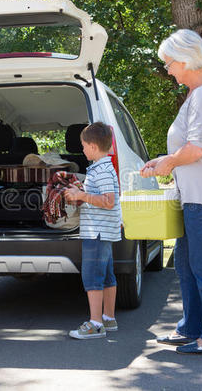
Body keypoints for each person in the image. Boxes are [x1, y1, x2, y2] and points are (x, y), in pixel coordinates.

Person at [140, 29, 202, 354]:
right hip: (191, 195)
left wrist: (168, 163)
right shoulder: (197, 95)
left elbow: (195, 150)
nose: (167, 70)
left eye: (169, 64)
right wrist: (164, 163)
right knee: (185, 265)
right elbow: (188, 151)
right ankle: (190, 328)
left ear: (185, 59)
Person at [64, 122, 121, 339]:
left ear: (94, 147)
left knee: (92, 277)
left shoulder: (103, 170)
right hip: (103, 232)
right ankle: (109, 318)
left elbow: (108, 201)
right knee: (107, 276)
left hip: (96, 233)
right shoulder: (103, 167)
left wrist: (81, 196)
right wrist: (81, 192)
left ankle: (96, 323)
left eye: (84, 146)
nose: (83, 150)